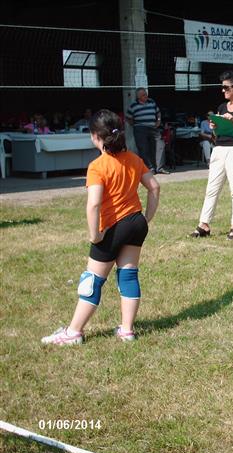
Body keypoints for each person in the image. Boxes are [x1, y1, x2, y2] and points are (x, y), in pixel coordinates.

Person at [41, 109, 160, 345]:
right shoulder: (134, 159)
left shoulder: (97, 166)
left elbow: (94, 204)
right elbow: (154, 187)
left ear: (95, 136)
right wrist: (146, 218)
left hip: (114, 227)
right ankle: (127, 330)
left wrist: (95, 235)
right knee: (128, 276)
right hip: (136, 223)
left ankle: (73, 333)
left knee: (92, 281)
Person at [190, 71, 233, 240]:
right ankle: (204, 224)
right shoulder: (221, 107)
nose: (223, 90)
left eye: (226, 87)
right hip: (219, 149)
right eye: (222, 87)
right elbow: (217, 134)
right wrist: (214, 127)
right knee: (212, 188)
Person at [126, 88, 169, 174]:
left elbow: (158, 112)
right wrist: (135, 125)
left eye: (146, 94)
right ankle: (150, 168)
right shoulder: (133, 105)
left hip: (153, 127)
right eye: (143, 95)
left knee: (160, 144)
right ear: (138, 97)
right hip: (140, 128)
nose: (146, 96)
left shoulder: (151, 102)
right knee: (143, 148)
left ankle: (159, 168)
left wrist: (158, 121)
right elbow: (128, 117)